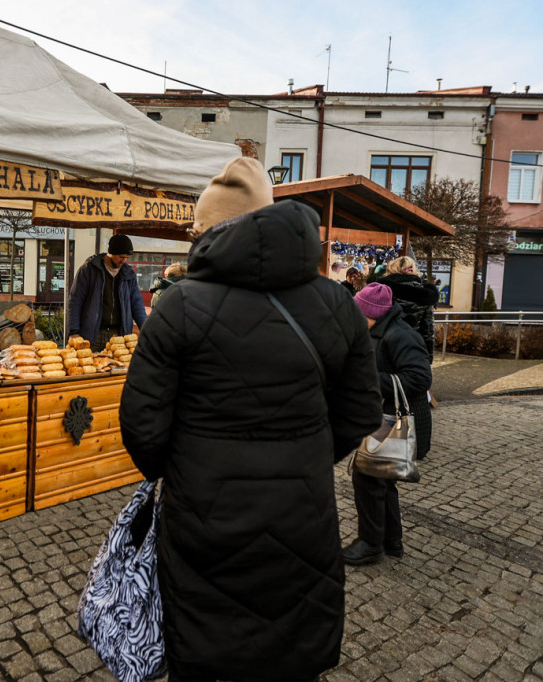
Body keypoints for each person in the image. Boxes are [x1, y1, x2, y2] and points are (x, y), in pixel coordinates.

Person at [119, 157, 383, 682]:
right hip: (301, 511)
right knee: (290, 646)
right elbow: (360, 413)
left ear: (213, 232)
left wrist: (185, 467)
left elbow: (142, 427)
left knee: (202, 646)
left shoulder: (178, 306)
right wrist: (304, 453)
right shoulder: (338, 304)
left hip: (202, 516)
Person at [342, 283, 432, 566]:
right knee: (382, 478)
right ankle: (391, 541)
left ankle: (370, 544)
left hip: (392, 419)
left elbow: (420, 378)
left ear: (373, 314)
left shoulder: (400, 334)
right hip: (381, 415)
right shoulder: (377, 331)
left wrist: (369, 379)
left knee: (368, 477)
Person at [379, 256, 438, 459]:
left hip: (388, 345)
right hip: (415, 350)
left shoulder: (384, 288)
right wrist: (427, 359)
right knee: (413, 397)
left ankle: (384, 437)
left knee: (388, 392)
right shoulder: (424, 293)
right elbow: (428, 329)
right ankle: (414, 441)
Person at [67, 234, 148, 351]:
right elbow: (75, 301)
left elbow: (137, 304)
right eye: (121, 257)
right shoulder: (88, 270)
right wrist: (74, 331)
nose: (124, 261)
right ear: (111, 253)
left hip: (118, 335)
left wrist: (146, 330)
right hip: (92, 335)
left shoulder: (128, 274)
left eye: (127, 257)